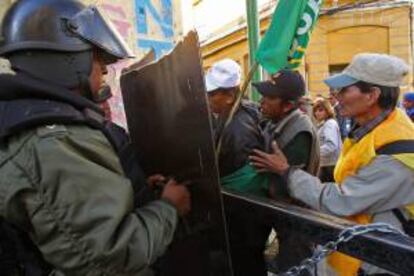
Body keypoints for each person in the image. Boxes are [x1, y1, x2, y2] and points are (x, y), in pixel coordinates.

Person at [0, 0, 191, 275]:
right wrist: (169, 207)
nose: (103, 70)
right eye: (98, 58)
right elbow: (112, 256)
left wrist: (127, 187)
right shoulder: (55, 142)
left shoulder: (31, 123)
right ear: (69, 58)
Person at [250, 53, 414, 275]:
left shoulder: (397, 149)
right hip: (358, 247)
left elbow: (340, 200)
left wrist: (287, 172)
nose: (336, 96)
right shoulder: (370, 131)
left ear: (372, 95)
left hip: (380, 262)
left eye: (345, 89)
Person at [251, 70, 320, 275]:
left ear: (288, 105)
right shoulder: (277, 121)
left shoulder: (299, 131)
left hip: (296, 218)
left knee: (295, 267)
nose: (262, 101)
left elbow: (286, 188)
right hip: (283, 215)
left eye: (269, 97)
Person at [205, 59, 269, 276]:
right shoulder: (234, 114)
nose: (208, 98)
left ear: (230, 95)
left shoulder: (238, 129)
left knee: (246, 262)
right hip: (244, 214)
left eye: (213, 94)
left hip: (244, 215)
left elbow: (235, 173)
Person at [313, 98, 342, 182]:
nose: (317, 113)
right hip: (327, 164)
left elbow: (331, 145)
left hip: (330, 165)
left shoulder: (329, 124)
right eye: (315, 111)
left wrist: (314, 153)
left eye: (320, 110)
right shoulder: (325, 124)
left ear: (327, 111)